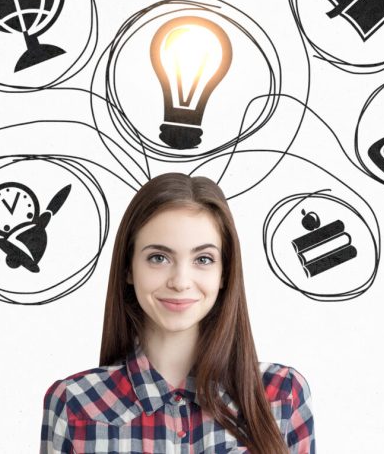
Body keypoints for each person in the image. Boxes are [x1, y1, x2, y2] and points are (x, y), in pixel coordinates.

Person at [39, 173, 314, 453]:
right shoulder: (75, 404)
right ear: (129, 268)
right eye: (158, 258)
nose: (180, 282)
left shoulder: (282, 395)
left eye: (203, 259)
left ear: (224, 273)